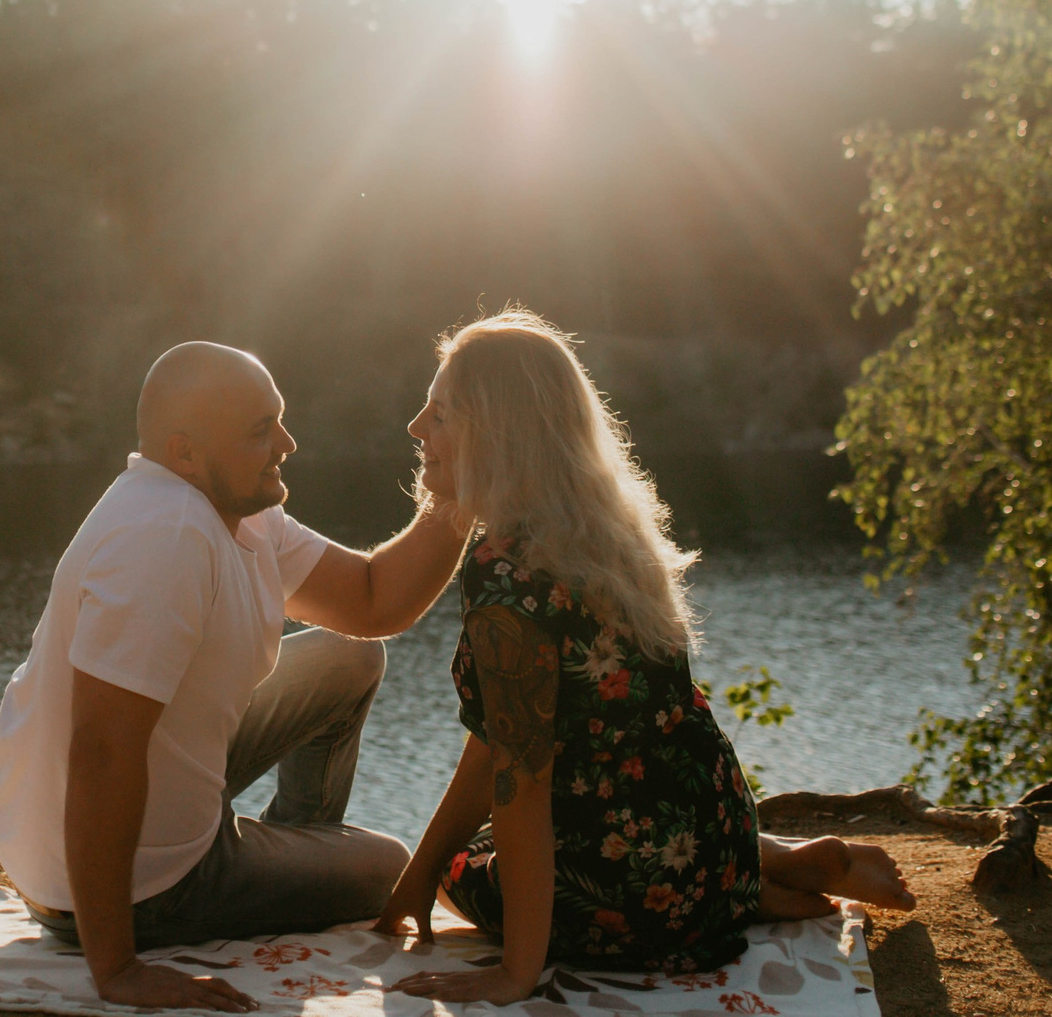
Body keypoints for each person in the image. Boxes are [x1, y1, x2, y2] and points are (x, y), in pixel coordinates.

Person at [376, 309, 915, 1007]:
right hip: (714, 835)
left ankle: (757, 887)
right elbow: (500, 740)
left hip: (646, 893)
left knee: (464, 864)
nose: (416, 427)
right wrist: (411, 879)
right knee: (499, 833)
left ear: (499, 434)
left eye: (441, 413)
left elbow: (521, 779)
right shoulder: (605, 528)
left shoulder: (505, 570)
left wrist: (513, 971)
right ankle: (757, 876)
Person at [0, 340, 468, 1012]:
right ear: (185, 453)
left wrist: (459, 489)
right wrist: (118, 969)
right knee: (389, 867)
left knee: (348, 658)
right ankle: (264, 875)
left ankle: (287, 854)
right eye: (260, 431)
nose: (287, 444)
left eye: (280, 420)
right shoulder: (164, 537)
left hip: (137, 807)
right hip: (133, 885)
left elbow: (371, 600)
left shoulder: (239, 510)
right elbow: (101, 751)